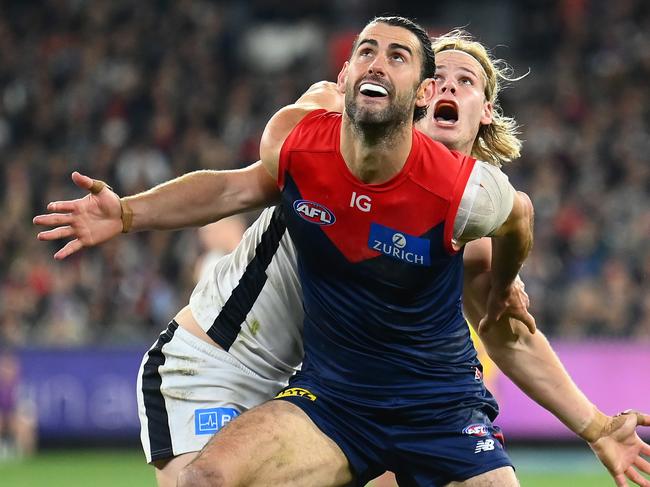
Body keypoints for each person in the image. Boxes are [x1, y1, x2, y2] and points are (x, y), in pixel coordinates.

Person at [33, 21, 650, 487]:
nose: (447, 89)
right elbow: (234, 184)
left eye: (467, 84)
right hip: (216, 364)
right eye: (441, 77)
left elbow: (510, 322)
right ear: (415, 94)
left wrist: (594, 423)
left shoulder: (467, 214)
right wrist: (130, 213)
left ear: (482, 113)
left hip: (319, 387)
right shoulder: (324, 132)